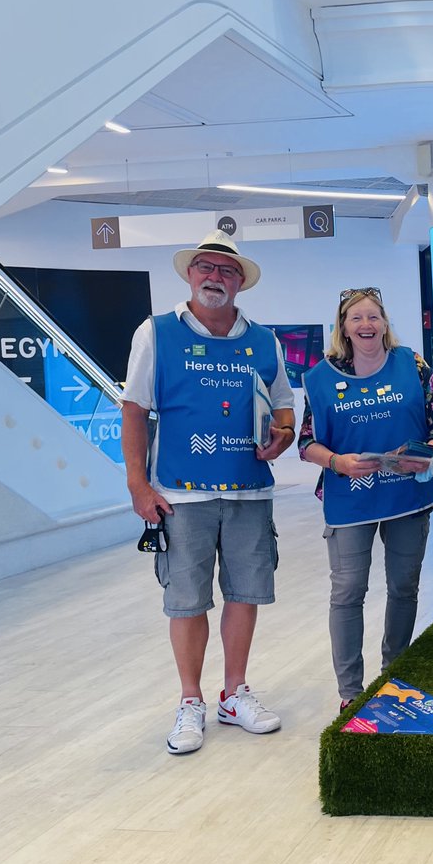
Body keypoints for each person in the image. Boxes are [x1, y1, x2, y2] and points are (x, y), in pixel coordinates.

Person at [121, 229, 295, 755]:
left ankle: (234, 692)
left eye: (226, 270)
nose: (215, 277)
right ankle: (190, 699)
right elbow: (133, 410)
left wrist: (282, 437)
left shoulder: (264, 340)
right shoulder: (155, 334)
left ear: (240, 282)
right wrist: (137, 483)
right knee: (187, 601)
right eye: (206, 267)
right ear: (190, 275)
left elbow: (284, 406)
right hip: (181, 493)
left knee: (245, 594)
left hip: (248, 491)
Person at [299, 287, 433, 711]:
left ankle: (394, 673)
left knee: (404, 586)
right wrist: (337, 462)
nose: (366, 325)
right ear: (343, 327)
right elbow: (306, 443)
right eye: (357, 318)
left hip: (408, 495)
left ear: (385, 323)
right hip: (349, 500)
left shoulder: (413, 366)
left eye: (374, 317)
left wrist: (428, 454)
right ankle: (351, 691)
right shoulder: (321, 376)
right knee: (348, 591)